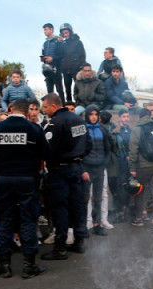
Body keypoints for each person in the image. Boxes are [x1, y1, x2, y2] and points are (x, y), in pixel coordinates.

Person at [0, 98, 52, 278]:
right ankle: (29, 266)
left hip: (3, 179)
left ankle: (4, 265)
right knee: (28, 221)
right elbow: (47, 154)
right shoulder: (34, 129)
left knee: (5, 220)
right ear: (28, 111)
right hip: (27, 179)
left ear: (11, 108)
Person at [40, 93, 90, 259]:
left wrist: (52, 162)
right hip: (76, 167)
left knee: (60, 207)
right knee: (77, 205)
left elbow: (48, 150)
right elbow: (87, 145)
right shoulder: (79, 120)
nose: (44, 110)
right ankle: (79, 240)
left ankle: (60, 247)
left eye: (45, 107)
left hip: (59, 170)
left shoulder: (55, 123)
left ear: (54, 106)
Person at [129, 108, 153, 229]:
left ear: (139, 117)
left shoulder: (137, 129)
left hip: (143, 166)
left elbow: (133, 150)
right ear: (150, 116)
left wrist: (132, 167)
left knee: (140, 192)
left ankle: (139, 218)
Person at [81, 105, 112, 236]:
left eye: (95, 114)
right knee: (85, 198)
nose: (93, 117)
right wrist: (82, 170)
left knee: (98, 198)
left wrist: (103, 165)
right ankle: (84, 226)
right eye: (91, 114)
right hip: (87, 168)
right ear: (87, 115)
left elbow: (108, 149)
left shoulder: (103, 130)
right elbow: (79, 151)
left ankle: (97, 224)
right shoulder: (82, 130)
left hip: (99, 168)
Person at [110, 109, 131, 223]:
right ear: (119, 118)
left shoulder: (130, 130)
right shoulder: (116, 131)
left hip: (128, 164)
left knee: (127, 186)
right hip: (118, 164)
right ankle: (120, 212)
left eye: (127, 116)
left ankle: (124, 211)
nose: (126, 119)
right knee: (118, 188)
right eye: (123, 116)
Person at [58, 23, 86, 104]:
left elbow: (82, 55)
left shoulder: (77, 42)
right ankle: (69, 103)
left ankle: (80, 102)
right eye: (63, 33)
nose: (65, 35)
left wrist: (82, 66)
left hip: (76, 69)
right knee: (67, 87)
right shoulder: (62, 43)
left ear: (70, 32)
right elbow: (59, 54)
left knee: (78, 86)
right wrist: (59, 43)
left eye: (66, 33)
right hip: (65, 69)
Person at [40, 23, 65, 102]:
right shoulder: (45, 43)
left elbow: (62, 54)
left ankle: (62, 106)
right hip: (47, 69)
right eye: (44, 30)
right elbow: (43, 53)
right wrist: (43, 58)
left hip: (56, 68)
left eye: (46, 29)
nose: (45, 31)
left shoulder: (58, 40)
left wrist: (53, 58)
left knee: (59, 90)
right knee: (49, 91)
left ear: (52, 30)